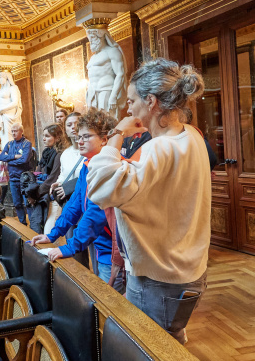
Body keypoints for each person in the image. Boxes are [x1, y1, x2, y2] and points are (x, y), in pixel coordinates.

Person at [86, 58, 209, 344]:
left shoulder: (159, 148)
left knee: (150, 354)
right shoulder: (191, 135)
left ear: (151, 101)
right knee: (170, 344)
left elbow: (100, 186)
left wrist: (117, 134)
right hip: (189, 270)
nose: (128, 109)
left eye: (131, 101)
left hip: (158, 279)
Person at [31, 109, 121, 291]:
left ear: (104, 139)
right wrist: (52, 234)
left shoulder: (110, 168)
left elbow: (95, 214)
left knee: (109, 304)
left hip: (115, 253)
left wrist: (69, 248)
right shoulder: (88, 166)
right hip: (103, 248)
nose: (79, 141)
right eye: (79, 137)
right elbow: (75, 204)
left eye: (86, 137)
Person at [26, 124, 68, 233]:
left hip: (53, 196)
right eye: (43, 136)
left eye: (47, 136)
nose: (44, 139)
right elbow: (38, 172)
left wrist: (35, 194)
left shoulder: (59, 154)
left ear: (57, 137)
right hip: (43, 195)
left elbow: (53, 178)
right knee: (39, 228)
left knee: (49, 231)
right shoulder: (46, 152)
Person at [47, 111, 83, 232]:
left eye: (77, 123)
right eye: (69, 125)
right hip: (70, 202)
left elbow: (92, 176)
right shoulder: (66, 153)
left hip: (86, 202)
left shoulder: (90, 150)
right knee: (70, 235)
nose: (73, 127)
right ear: (65, 130)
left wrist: (68, 187)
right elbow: (63, 174)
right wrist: (59, 182)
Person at [0, 122, 33, 224]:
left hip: (24, 178)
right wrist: (14, 156)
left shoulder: (27, 144)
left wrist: (9, 160)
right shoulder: (9, 144)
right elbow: (1, 157)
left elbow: (24, 160)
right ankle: (22, 223)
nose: (13, 133)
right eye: (12, 131)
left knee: (27, 203)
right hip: (13, 178)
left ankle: (33, 225)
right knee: (17, 203)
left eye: (16, 131)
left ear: (21, 131)